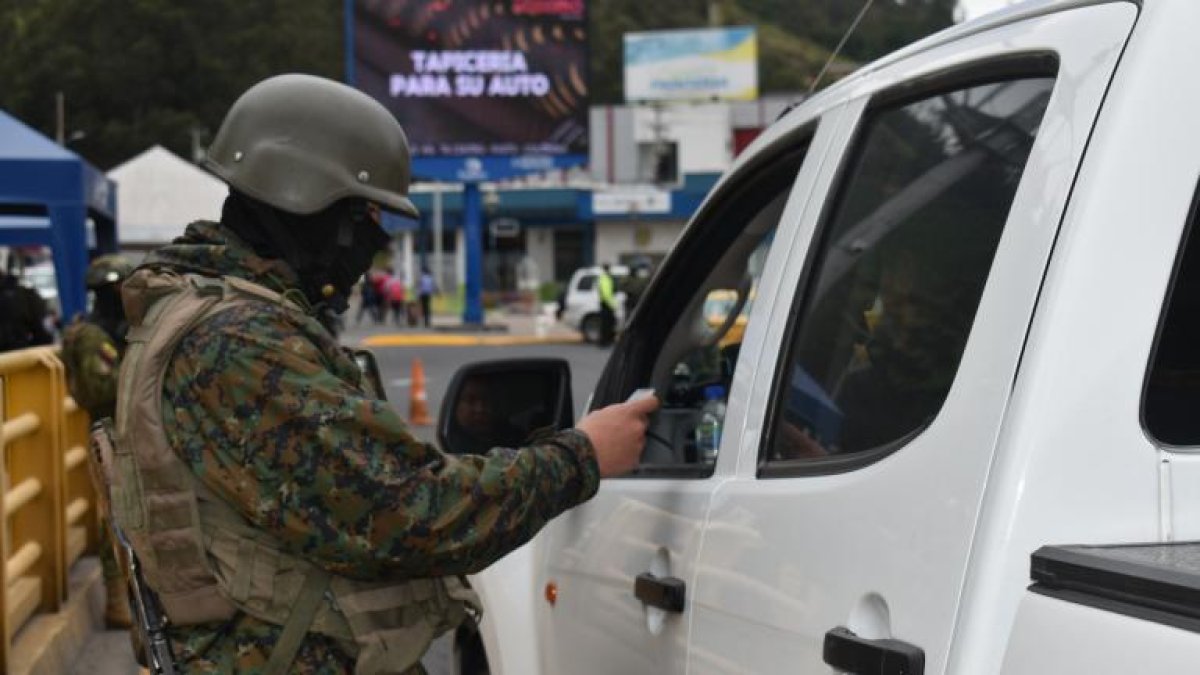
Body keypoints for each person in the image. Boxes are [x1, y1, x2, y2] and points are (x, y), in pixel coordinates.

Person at [105, 73, 658, 674]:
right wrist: (582, 457)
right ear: (310, 199)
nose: (374, 244)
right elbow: (410, 512)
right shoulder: (239, 343)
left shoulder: (196, 313)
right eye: (367, 216)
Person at [60, 254, 134, 628]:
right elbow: (97, 388)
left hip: (125, 434)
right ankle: (117, 600)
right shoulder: (94, 336)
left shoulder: (115, 329)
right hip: (108, 435)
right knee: (113, 522)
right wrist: (136, 369)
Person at [446, 375, 526, 455]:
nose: (480, 409)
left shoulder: (517, 439)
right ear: (454, 405)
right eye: (470, 400)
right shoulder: (450, 444)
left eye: (487, 399)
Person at [0, 267, 53, 351]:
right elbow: (45, 337)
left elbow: (43, 335)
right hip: (27, 357)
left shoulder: (26, 297)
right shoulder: (26, 296)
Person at [597, 263, 617, 346]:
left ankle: (606, 340)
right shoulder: (605, 278)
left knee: (607, 323)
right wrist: (613, 305)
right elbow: (607, 295)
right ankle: (604, 341)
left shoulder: (604, 278)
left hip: (605, 304)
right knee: (607, 324)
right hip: (606, 304)